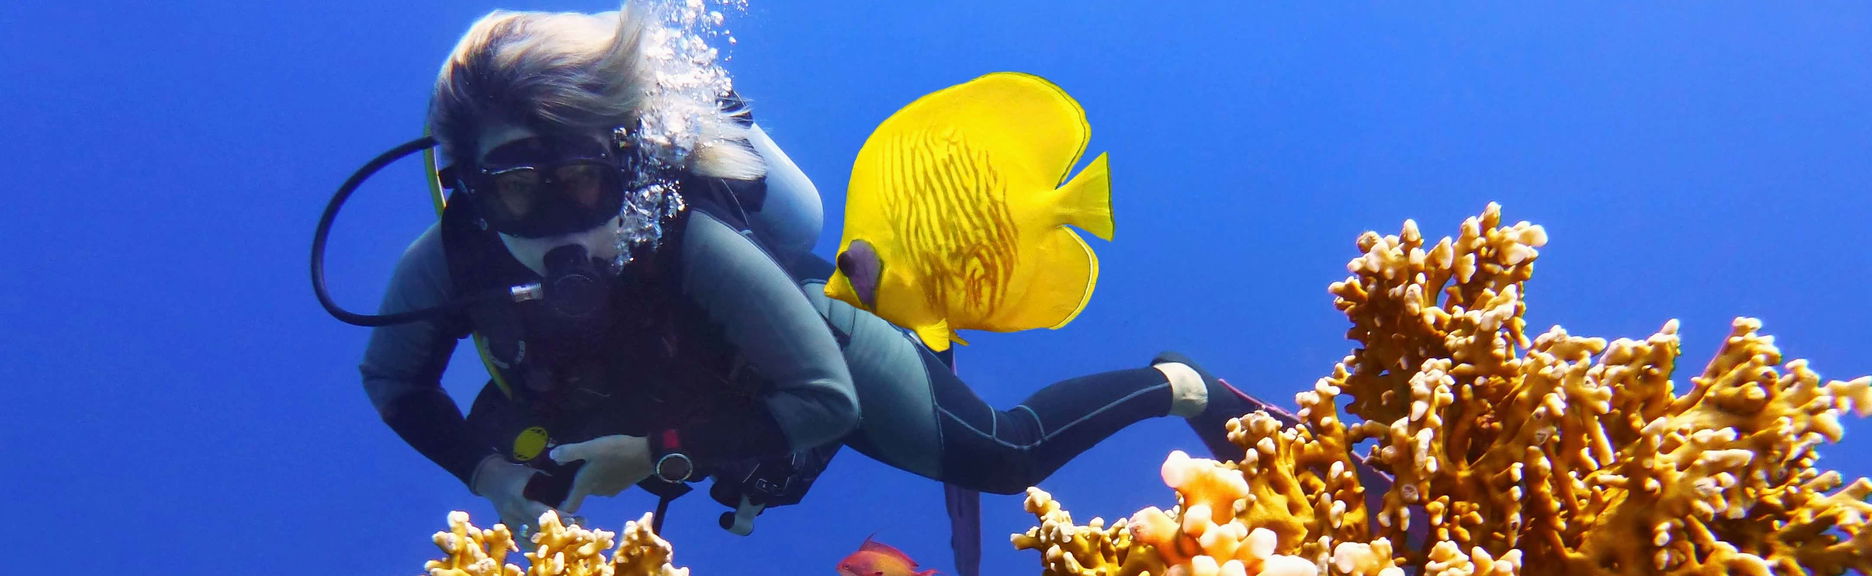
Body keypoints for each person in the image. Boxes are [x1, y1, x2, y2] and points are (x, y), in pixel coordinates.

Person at [358, 3, 1294, 537]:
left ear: (628, 170)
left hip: (815, 345)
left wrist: (651, 455)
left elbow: (823, 398)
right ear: (470, 189)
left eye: (583, 183)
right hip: (687, 400)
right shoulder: (448, 263)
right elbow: (394, 384)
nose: (562, 227)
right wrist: (486, 473)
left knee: (1007, 457)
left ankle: (1181, 384)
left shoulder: (690, 244)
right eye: (522, 192)